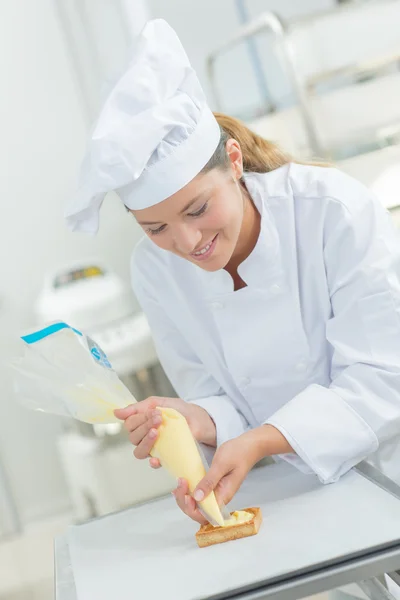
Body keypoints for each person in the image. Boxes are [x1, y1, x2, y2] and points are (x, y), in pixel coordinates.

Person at [66, 19, 400, 527]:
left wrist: (260, 440)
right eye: (156, 227)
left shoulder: (332, 211)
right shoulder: (155, 270)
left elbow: (383, 376)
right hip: (294, 495)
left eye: (198, 210)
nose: (187, 243)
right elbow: (215, 397)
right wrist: (189, 423)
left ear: (236, 163)